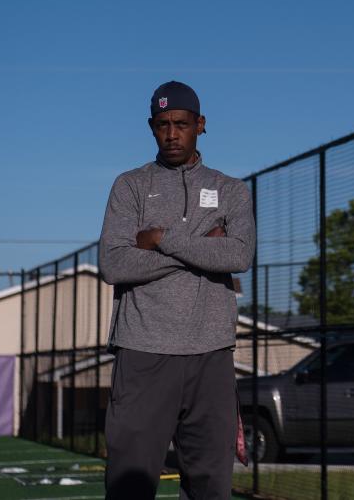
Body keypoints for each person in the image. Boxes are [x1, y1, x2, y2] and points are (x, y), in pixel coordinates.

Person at [99, 81, 255, 500]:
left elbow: (239, 256)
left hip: (211, 355)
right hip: (143, 352)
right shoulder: (129, 186)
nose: (172, 134)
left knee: (211, 488)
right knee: (129, 485)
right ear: (152, 127)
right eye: (163, 125)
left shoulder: (231, 190)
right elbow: (114, 264)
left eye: (181, 124)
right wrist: (205, 246)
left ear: (200, 125)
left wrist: (161, 240)